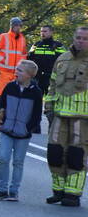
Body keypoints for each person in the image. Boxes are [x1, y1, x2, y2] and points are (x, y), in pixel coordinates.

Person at [43, 26, 88, 207]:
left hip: (83, 119)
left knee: (76, 156)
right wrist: (48, 107)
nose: (81, 41)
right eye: (78, 37)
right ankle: (58, 191)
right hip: (59, 115)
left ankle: (72, 195)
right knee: (54, 153)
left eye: (85, 38)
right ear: (73, 37)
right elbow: (52, 85)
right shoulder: (62, 58)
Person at [0, 60, 43, 202]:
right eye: (17, 69)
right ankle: (2, 190)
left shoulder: (36, 93)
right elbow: (1, 105)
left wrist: (28, 128)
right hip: (6, 130)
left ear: (29, 75)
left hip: (23, 134)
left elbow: (37, 115)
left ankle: (14, 192)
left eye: (20, 70)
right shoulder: (9, 87)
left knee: (18, 162)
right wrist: (0, 117)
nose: (16, 72)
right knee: (3, 159)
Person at [0, 17, 28, 97]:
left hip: (17, 73)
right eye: (16, 25)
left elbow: (24, 54)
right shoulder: (3, 36)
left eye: (20, 26)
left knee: (14, 95)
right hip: (4, 72)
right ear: (12, 26)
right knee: (1, 93)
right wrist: (4, 59)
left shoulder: (22, 39)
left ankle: (10, 109)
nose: (18, 27)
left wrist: (22, 67)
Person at [27, 24, 64, 95]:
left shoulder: (58, 46)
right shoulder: (36, 45)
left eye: (45, 31)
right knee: (35, 100)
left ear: (51, 32)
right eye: (41, 31)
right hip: (37, 78)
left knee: (51, 101)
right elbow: (29, 59)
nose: (42, 33)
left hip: (51, 78)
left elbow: (64, 61)